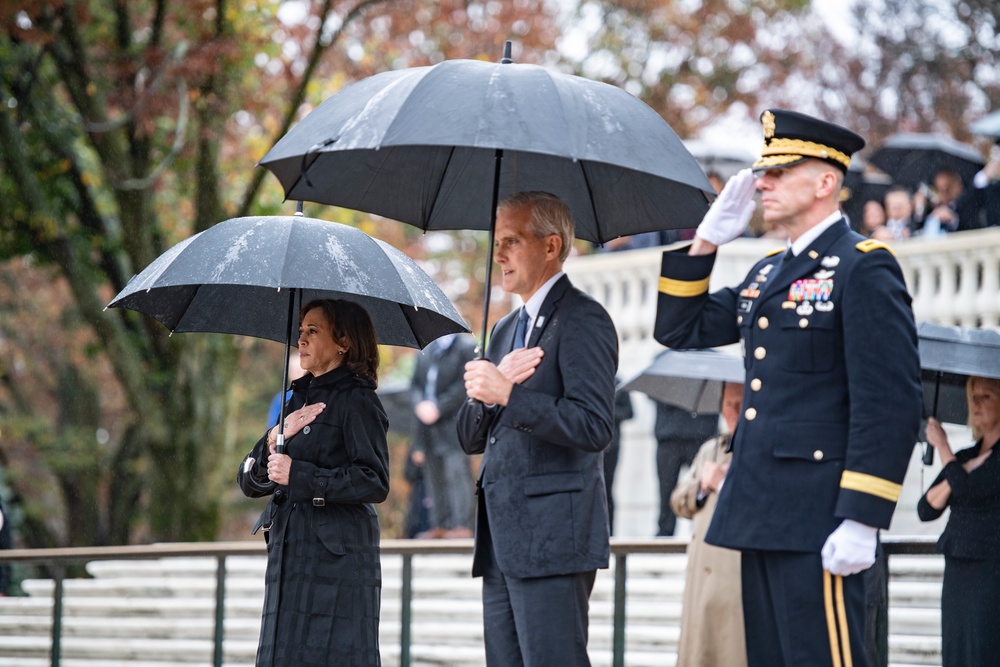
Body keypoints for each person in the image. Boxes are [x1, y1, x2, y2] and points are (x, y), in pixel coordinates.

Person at [654, 109, 922, 667]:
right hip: (759, 510)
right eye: (762, 172)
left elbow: (890, 403)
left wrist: (862, 517)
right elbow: (681, 329)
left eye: (779, 172)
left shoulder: (863, 267)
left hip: (821, 516)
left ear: (826, 182)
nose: (762, 183)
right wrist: (705, 242)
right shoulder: (768, 273)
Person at [458, 191, 618, 667]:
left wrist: (509, 393)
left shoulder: (584, 318)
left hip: (554, 539)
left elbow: (594, 426)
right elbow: (470, 436)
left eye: (511, 240)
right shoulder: (504, 330)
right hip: (501, 540)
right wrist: (483, 396)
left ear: (551, 247)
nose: (498, 254)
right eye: (497, 241)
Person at [237, 299, 390, 667]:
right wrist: (277, 433)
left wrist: (301, 476)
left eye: (313, 331)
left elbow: (374, 480)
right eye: (301, 330)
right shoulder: (296, 399)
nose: (301, 339)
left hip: (335, 560)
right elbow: (250, 481)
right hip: (290, 552)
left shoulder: (358, 400)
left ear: (343, 342)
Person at [917, 376, 1000, 667]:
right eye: (972, 396)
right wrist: (957, 468)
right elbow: (925, 509)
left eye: (986, 396)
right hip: (958, 568)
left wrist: (942, 447)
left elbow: (967, 489)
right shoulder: (965, 457)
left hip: (990, 569)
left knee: (984, 647)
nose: (975, 404)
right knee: (956, 647)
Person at [669, 381, 746, 667]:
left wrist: (725, 481)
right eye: (729, 404)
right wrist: (703, 486)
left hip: (733, 576)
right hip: (702, 575)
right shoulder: (711, 449)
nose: (734, 412)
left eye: (740, 404)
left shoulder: (760, 448)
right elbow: (679, 499)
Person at [409, 332, 478, 538]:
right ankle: (440, 524)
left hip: (455, 425)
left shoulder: (465, 348)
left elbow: (464, 386)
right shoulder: (426, 351)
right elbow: (415, 385)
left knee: (457, 476)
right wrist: (420, 405)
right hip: (428, 428)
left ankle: (462, 525)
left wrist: (438, 407)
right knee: (433, 477)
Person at [654, 402, 718, 536]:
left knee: (703, 490)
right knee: (666, 492)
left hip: (700, 435)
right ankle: (665, 532)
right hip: (669, 435)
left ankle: (701, 530)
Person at [605, 385, 634, 535]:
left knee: (607, 490)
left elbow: (629, 412)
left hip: (611, 447)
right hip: (589, 448)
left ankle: (610, 531)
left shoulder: (619, 383)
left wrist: (607, 411)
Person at [266, 350, 306, 427]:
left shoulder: (314, 395)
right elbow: (271, 426)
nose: (296, 374)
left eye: (300, 370)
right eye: (293, 370)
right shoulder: (281, 398)